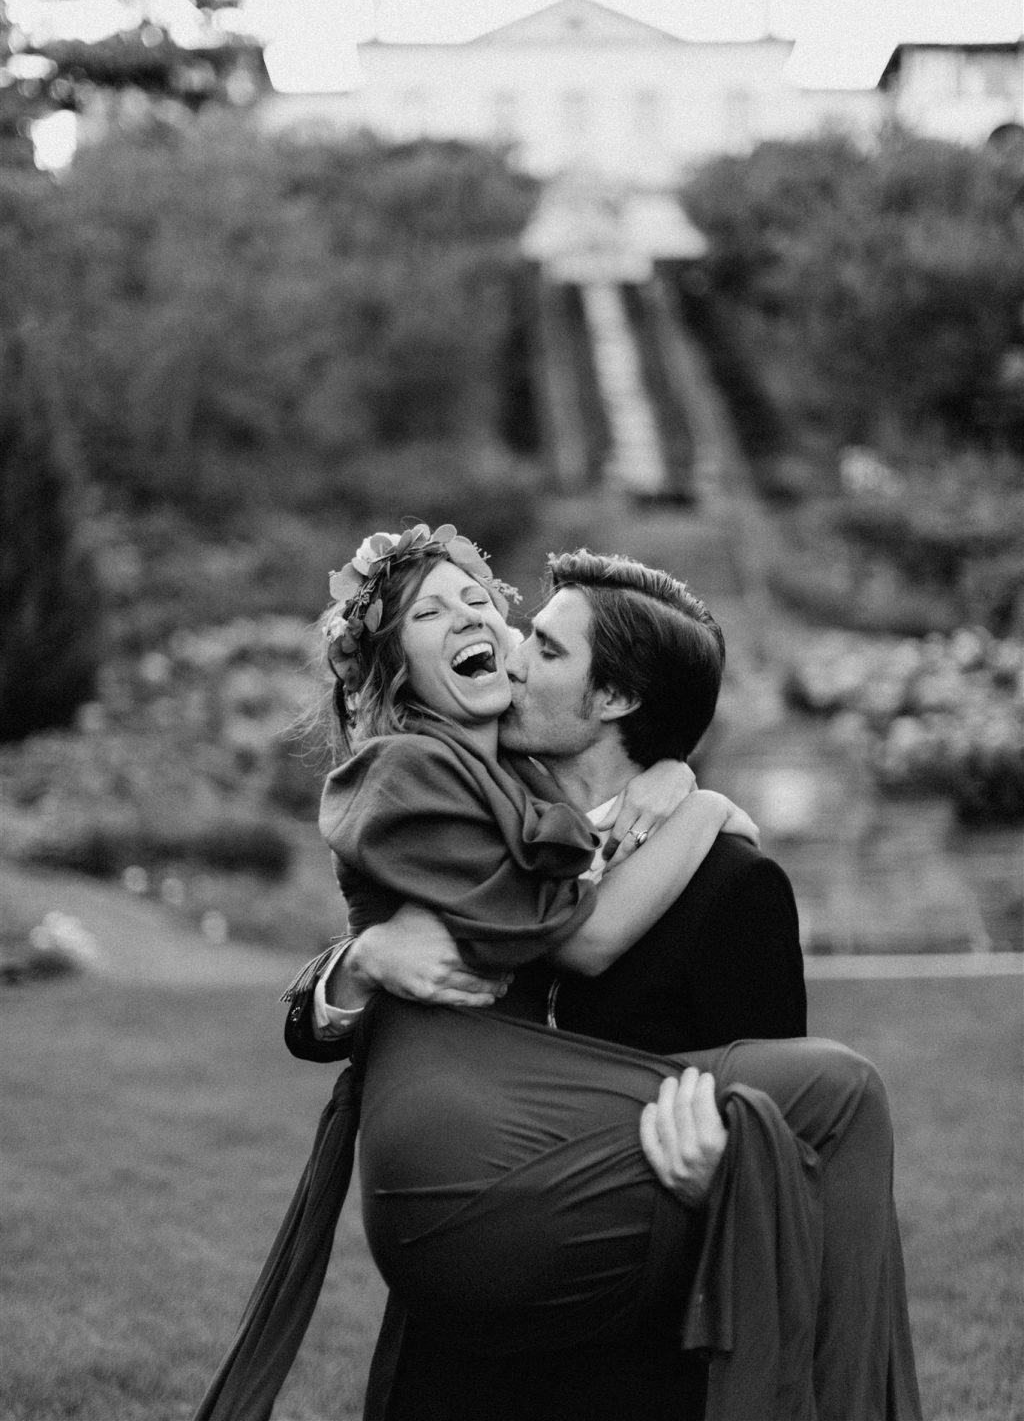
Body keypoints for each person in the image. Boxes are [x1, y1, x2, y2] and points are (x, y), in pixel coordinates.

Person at [194, 526, 921, 1421]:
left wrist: (718, 1180)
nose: (508, 646)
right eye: (518, 627)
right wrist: (364, 962)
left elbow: (775, 1134)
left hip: (620, 1334)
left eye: (541, 643)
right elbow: (342, 990)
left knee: (836, 1094)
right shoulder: (462, 786)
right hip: (461, 1319)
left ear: (612, 696)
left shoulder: (734, 889)